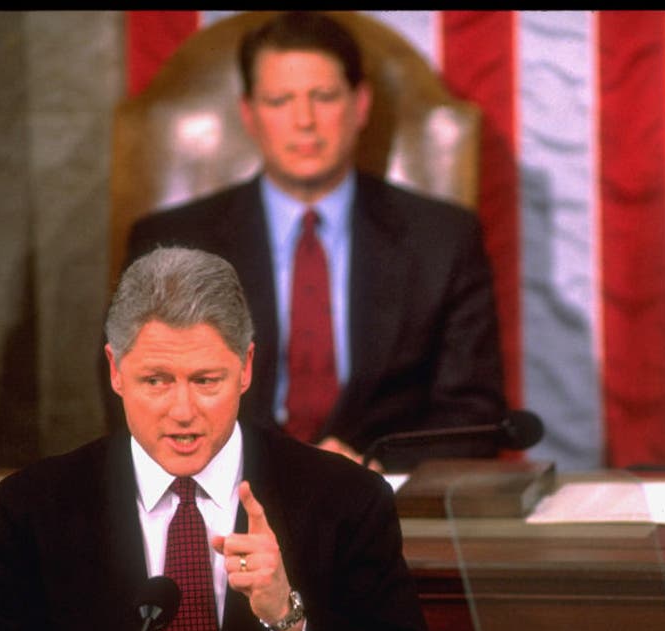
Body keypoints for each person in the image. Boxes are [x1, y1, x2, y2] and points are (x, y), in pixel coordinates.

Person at [0, 247, 435, 631]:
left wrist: (286, 618)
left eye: (206, 380)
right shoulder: (32, 510)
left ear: (246, 368)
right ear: (115, 371)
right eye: (156, 381)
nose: (183, 412)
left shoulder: (348, 502)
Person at [124, 11, 507, 472]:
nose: (304, 121)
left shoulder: (444, 240)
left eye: (323, 97)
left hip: (386, 504)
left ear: (360, 105)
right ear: (249, 114)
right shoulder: (169, 246)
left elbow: (475, 417)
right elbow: (140, 401)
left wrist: (371, 465)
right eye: (280, 100)